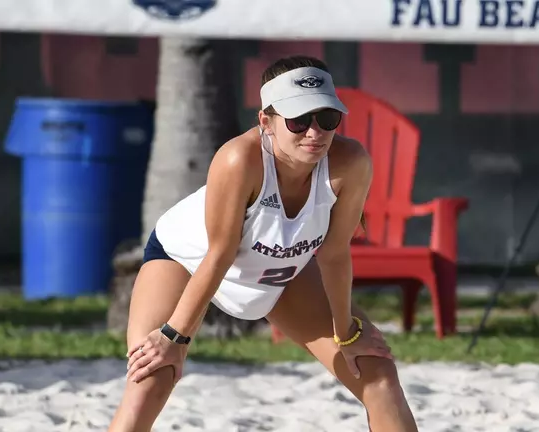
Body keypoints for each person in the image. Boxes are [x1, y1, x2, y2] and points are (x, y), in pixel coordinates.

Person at [108, 55, 418, 432]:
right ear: (266, 122)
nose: (314, 132)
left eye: (327, 118)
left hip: (281, 271)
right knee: (152, 376)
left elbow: (335, 255)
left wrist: (346, 332)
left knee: (377, 374)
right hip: (189, 261)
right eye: (299, 119)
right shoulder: (239, 158)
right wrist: (175, 337)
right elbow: (219, 255)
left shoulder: (350, 162)